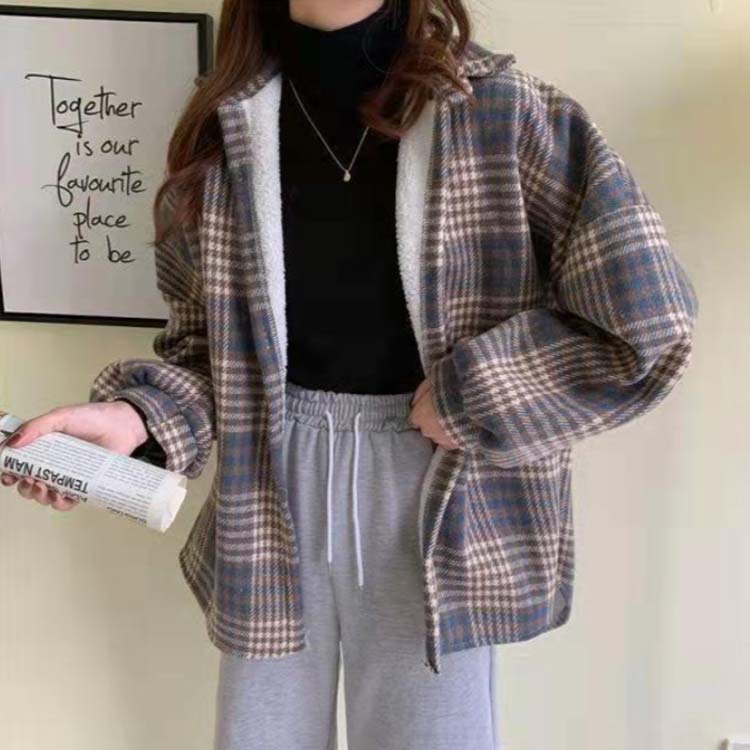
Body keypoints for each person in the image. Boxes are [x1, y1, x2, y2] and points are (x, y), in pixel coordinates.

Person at [0, 1, 699, 748]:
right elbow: (208, 350)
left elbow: (647, 322)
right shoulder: (223, 126)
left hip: (438, 488)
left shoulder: (505, 116)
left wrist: (476, 395)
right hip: (269, 479)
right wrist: (134, 420)